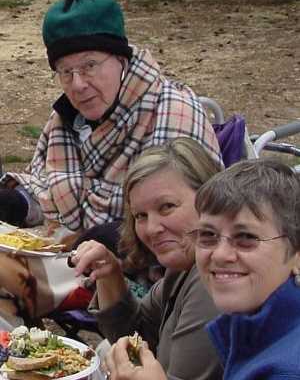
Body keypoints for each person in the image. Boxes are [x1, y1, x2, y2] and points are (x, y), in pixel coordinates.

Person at [0, 0, 223, 325]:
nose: (77, 84)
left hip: (144, 274)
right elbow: (47, 190)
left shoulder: (171, 113)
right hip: (71, 250)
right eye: (65, 71)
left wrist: (109, 235)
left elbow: (179, 230)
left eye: (89, 66)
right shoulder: (66, 120)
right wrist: (13, 203)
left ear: (121, 60)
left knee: (3, 282)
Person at [103, 158, 300, 380]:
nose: (220, 254)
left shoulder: (286, 369)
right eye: (208, 235)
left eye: (246, 237)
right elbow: (137, 332)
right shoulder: (250, 327)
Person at [71, 137, 223, 380]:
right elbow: (136, 337)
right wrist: (110, 274)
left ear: (209, 198)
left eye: (166, 207)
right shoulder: (182, 265)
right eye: (140, 215)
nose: (151, 228)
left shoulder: (213, 280)